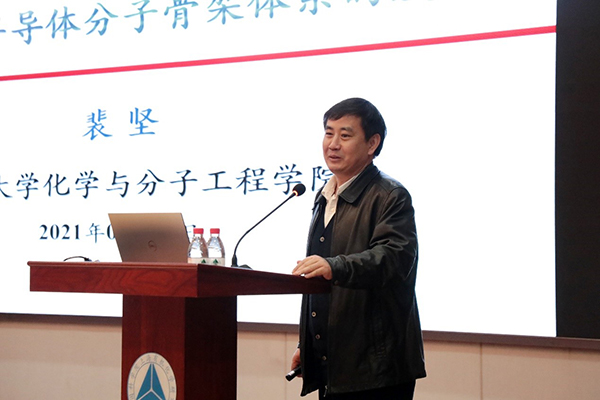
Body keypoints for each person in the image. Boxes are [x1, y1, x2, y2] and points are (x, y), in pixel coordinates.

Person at [291, 98, 426, 399]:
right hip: (333, 362)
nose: (333, 144)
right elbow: (318, 284)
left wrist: (334, 266)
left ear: (372, 144)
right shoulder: (324, 195)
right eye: (328, 133)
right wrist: (307, 343)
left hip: (376, 369)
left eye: (345, 135)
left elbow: (393, 259)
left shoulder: (390, 195)